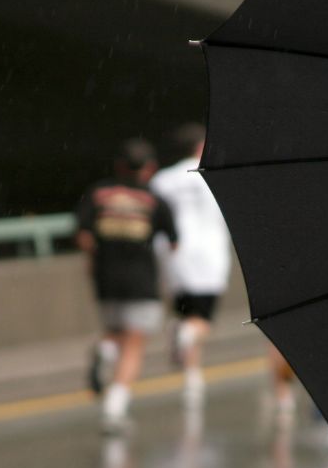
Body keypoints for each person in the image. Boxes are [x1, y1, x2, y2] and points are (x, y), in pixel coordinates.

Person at [77, 138, 177, 433]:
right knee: (134, 344)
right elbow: (174, 242)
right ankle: (114, 409)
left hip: (106, 278)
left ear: (119, 165)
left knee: (115, 330)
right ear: (150, 168)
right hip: (141, 279)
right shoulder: (155, 200)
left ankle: (105, 349)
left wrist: (96, 259)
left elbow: (84, 235)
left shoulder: (98, 193)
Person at [150, 123, 231, 406]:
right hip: (210, 254)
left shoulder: (162, 180)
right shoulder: (215, 174)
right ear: (199, 147)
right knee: (202, 320)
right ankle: (184, 336)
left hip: (174, 254)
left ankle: (192, 379)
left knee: (186, 314)